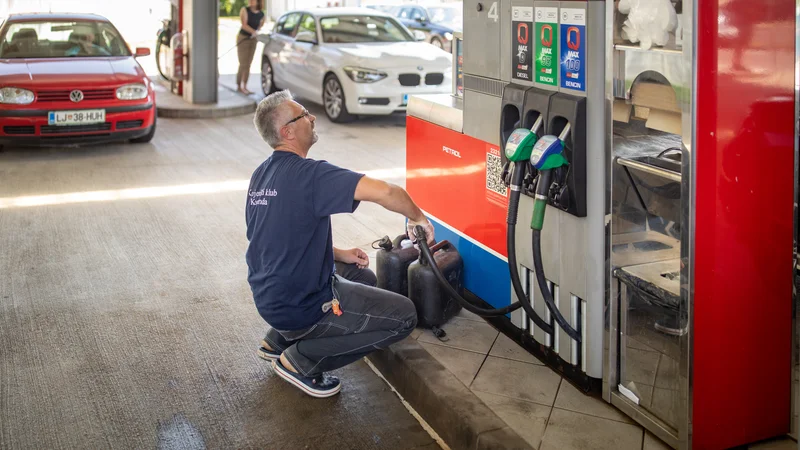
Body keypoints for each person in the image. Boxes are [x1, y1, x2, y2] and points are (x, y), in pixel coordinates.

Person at [246, 90, 435, 398]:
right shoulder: (310, 175)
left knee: (362, 275)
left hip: (269, 297)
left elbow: (274, 236)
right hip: (300, 306)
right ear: (288, 132)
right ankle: (302, 360)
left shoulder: (261, 174)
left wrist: (337, 253)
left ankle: (279, 339)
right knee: (403, 317)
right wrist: (419, 219)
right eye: (304, 114)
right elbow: (388, 192)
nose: (313, 117)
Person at [237, 0, 266, 94]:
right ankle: (239, 86)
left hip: (253, 39)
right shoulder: (245, 10)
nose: (250, 1)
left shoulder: (262, 14)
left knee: (249, 63)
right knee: (243, 63)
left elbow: (260, 25)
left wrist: (256, 32)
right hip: (243, 38)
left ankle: (245, 86)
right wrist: (254, 32)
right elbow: (244, 25)